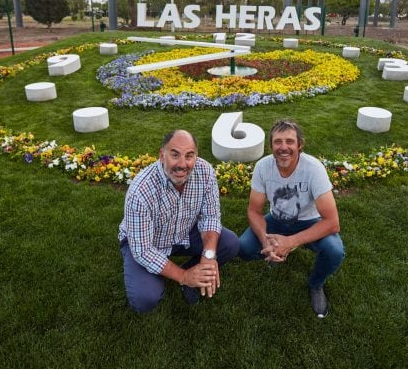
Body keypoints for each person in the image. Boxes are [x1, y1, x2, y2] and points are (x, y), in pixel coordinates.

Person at [118, 129, 239, 313]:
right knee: (145, 299)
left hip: (184, 232)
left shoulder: (204, 172)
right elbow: (142, 250)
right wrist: (183, 276)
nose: (182, 164)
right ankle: (184, 277)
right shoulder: (140, 190)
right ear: (162, 155)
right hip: (146, 242)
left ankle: (193, 271)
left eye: (189, 156)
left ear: (196, 156)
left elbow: (211, 217)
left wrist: (208, 257)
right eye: (175, 155)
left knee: (229, 243)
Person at [239, 119, 345, 318]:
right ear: (271, 146)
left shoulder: (314, 169)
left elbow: (332, 223)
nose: (284, 147)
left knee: (334, 251)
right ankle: (273, 253)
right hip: (277, 219)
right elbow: (254, 210)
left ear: (299, 145)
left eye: (289, 141)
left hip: (310, 221)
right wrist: (266, 240)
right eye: (278, 142)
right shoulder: (263, 166)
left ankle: (316, 284)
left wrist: (291, 242)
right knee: (243, 248)